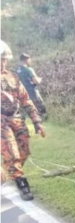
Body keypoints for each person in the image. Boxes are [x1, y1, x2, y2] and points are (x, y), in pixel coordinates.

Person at [1, 41, 46, 201]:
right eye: (1, 59)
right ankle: (22, 184)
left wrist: (37, 121)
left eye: (4, 59)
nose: (2, 62)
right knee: (11, 153)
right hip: (1, 121)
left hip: (17, 118)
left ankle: (9, 170)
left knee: (24, 151)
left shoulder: (12, 76)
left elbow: (25, 99)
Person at [17, 53, 47, 120]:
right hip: (32, 91)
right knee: (40, 106)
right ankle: (42, 121)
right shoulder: (29, 69)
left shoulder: (17, 70)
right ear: (26, 60)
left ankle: (23, 120)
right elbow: (36, 81)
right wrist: (40, 79)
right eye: (29, 59)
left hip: (22, 93)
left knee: (24, 108)